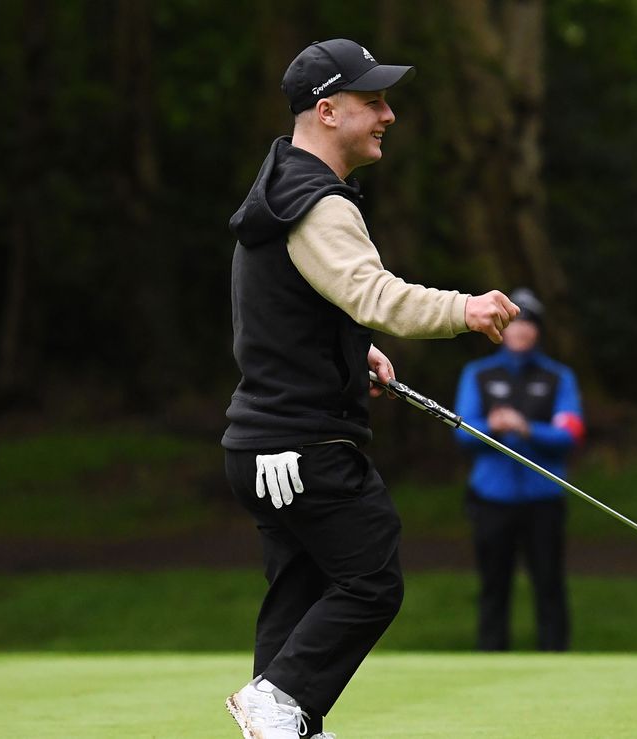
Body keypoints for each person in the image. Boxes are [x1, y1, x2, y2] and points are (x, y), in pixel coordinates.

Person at [221, 38, 520, 739]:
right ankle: (280, 701)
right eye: (372, 101)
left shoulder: (278, 188)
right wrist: (464, 309)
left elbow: (291, 307)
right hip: (304, 444)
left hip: (260, 447)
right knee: (371, 574)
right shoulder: (317, 202)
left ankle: (288, 718)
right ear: (327, 111)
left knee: (301, 587)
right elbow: (373, 294)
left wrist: (352, 355)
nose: (388, 114)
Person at [452, 288, 585, 652]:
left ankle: (557, 661)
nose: (521, 329)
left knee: (549, 584)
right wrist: (492, 425)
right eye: (514, 322)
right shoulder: (479, 374)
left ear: (538, 330)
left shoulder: (558, 377)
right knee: (494, 586)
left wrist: (526, 427)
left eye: (528, 323)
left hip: (544, 498)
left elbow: (569, 432)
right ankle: (490, 658)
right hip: (492, 496)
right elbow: (462, 433)